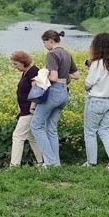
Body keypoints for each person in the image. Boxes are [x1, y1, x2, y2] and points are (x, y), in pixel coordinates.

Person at [30, 30, 80, 166]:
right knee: (51, 128)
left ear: (50, 40)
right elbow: (77, 75)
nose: (44, 45)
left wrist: (41, 75)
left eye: (44, 42)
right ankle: (55, 163)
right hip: (64, 93)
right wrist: (65, 76)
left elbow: (53, 77)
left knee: (35, 126)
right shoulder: (67, 54)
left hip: (53, 92)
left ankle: (50, 162)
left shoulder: (52, 54)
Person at [82, 33, 109, 171]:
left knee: (90, 132)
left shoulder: (97, 63)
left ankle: (91, 162)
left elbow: (88, 84)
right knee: (105, 131)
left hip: (96, 101)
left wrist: (88, 83)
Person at [9, 50, 43, 167]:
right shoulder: (26, 72)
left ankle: (14, 166)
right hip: (24, 109)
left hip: (29, 110)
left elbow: (36, 90)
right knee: (31, 137)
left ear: (23, 62)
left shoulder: (33, 72)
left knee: (18, 136)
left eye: (16, 64)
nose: (15, 67)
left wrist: (32, 107)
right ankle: (42, 162)